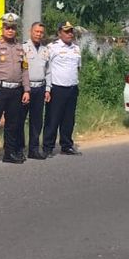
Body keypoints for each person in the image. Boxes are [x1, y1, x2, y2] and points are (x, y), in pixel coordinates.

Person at [0, 12, 30, 163]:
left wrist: (27, 90)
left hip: (16, 90)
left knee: (12, 123)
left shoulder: (20, 48)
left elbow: (24, 69)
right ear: (2, 28)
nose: (10, 30)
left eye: (13, 28)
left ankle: (9, 153)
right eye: (7, 27)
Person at [42, 20, 83, 157]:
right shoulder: (51, 47)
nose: (69, 34)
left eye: (71, 31)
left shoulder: (76, 49)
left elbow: (78, 67)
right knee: (52, 119)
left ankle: (66, 145)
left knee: (68, 119)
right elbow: (46, 68)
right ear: (59, 33)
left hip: (72, 88)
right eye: (66, 31)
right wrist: (47, 88)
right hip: (57, 88)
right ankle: (48, 147)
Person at [22, 21, 52, 160]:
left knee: (36, 121)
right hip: (25, 89)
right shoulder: (23, 48)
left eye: (41, 32)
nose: (39, 34)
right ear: (31, 32)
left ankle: (33, 149)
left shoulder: (45, 50)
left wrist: (47, 89)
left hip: (40, 88)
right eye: (36, 32)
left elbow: (48, 71)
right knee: (20, 120)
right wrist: (24, 89)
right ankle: (18, 148)